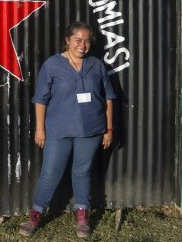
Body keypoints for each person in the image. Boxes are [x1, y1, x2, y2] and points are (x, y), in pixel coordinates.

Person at [19, 22, 115, 238]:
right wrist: (39, 129)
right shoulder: (52, 65)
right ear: (67, 40)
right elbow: (40, 99)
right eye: (78, 40)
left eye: (87, 41)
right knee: (50, 173)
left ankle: (82, 215)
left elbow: (108, 97)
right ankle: (35, 215)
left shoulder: (97, 65)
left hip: (90, 130)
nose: (83, 45)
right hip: (58, 130)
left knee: (82, 172)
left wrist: (108, 128)